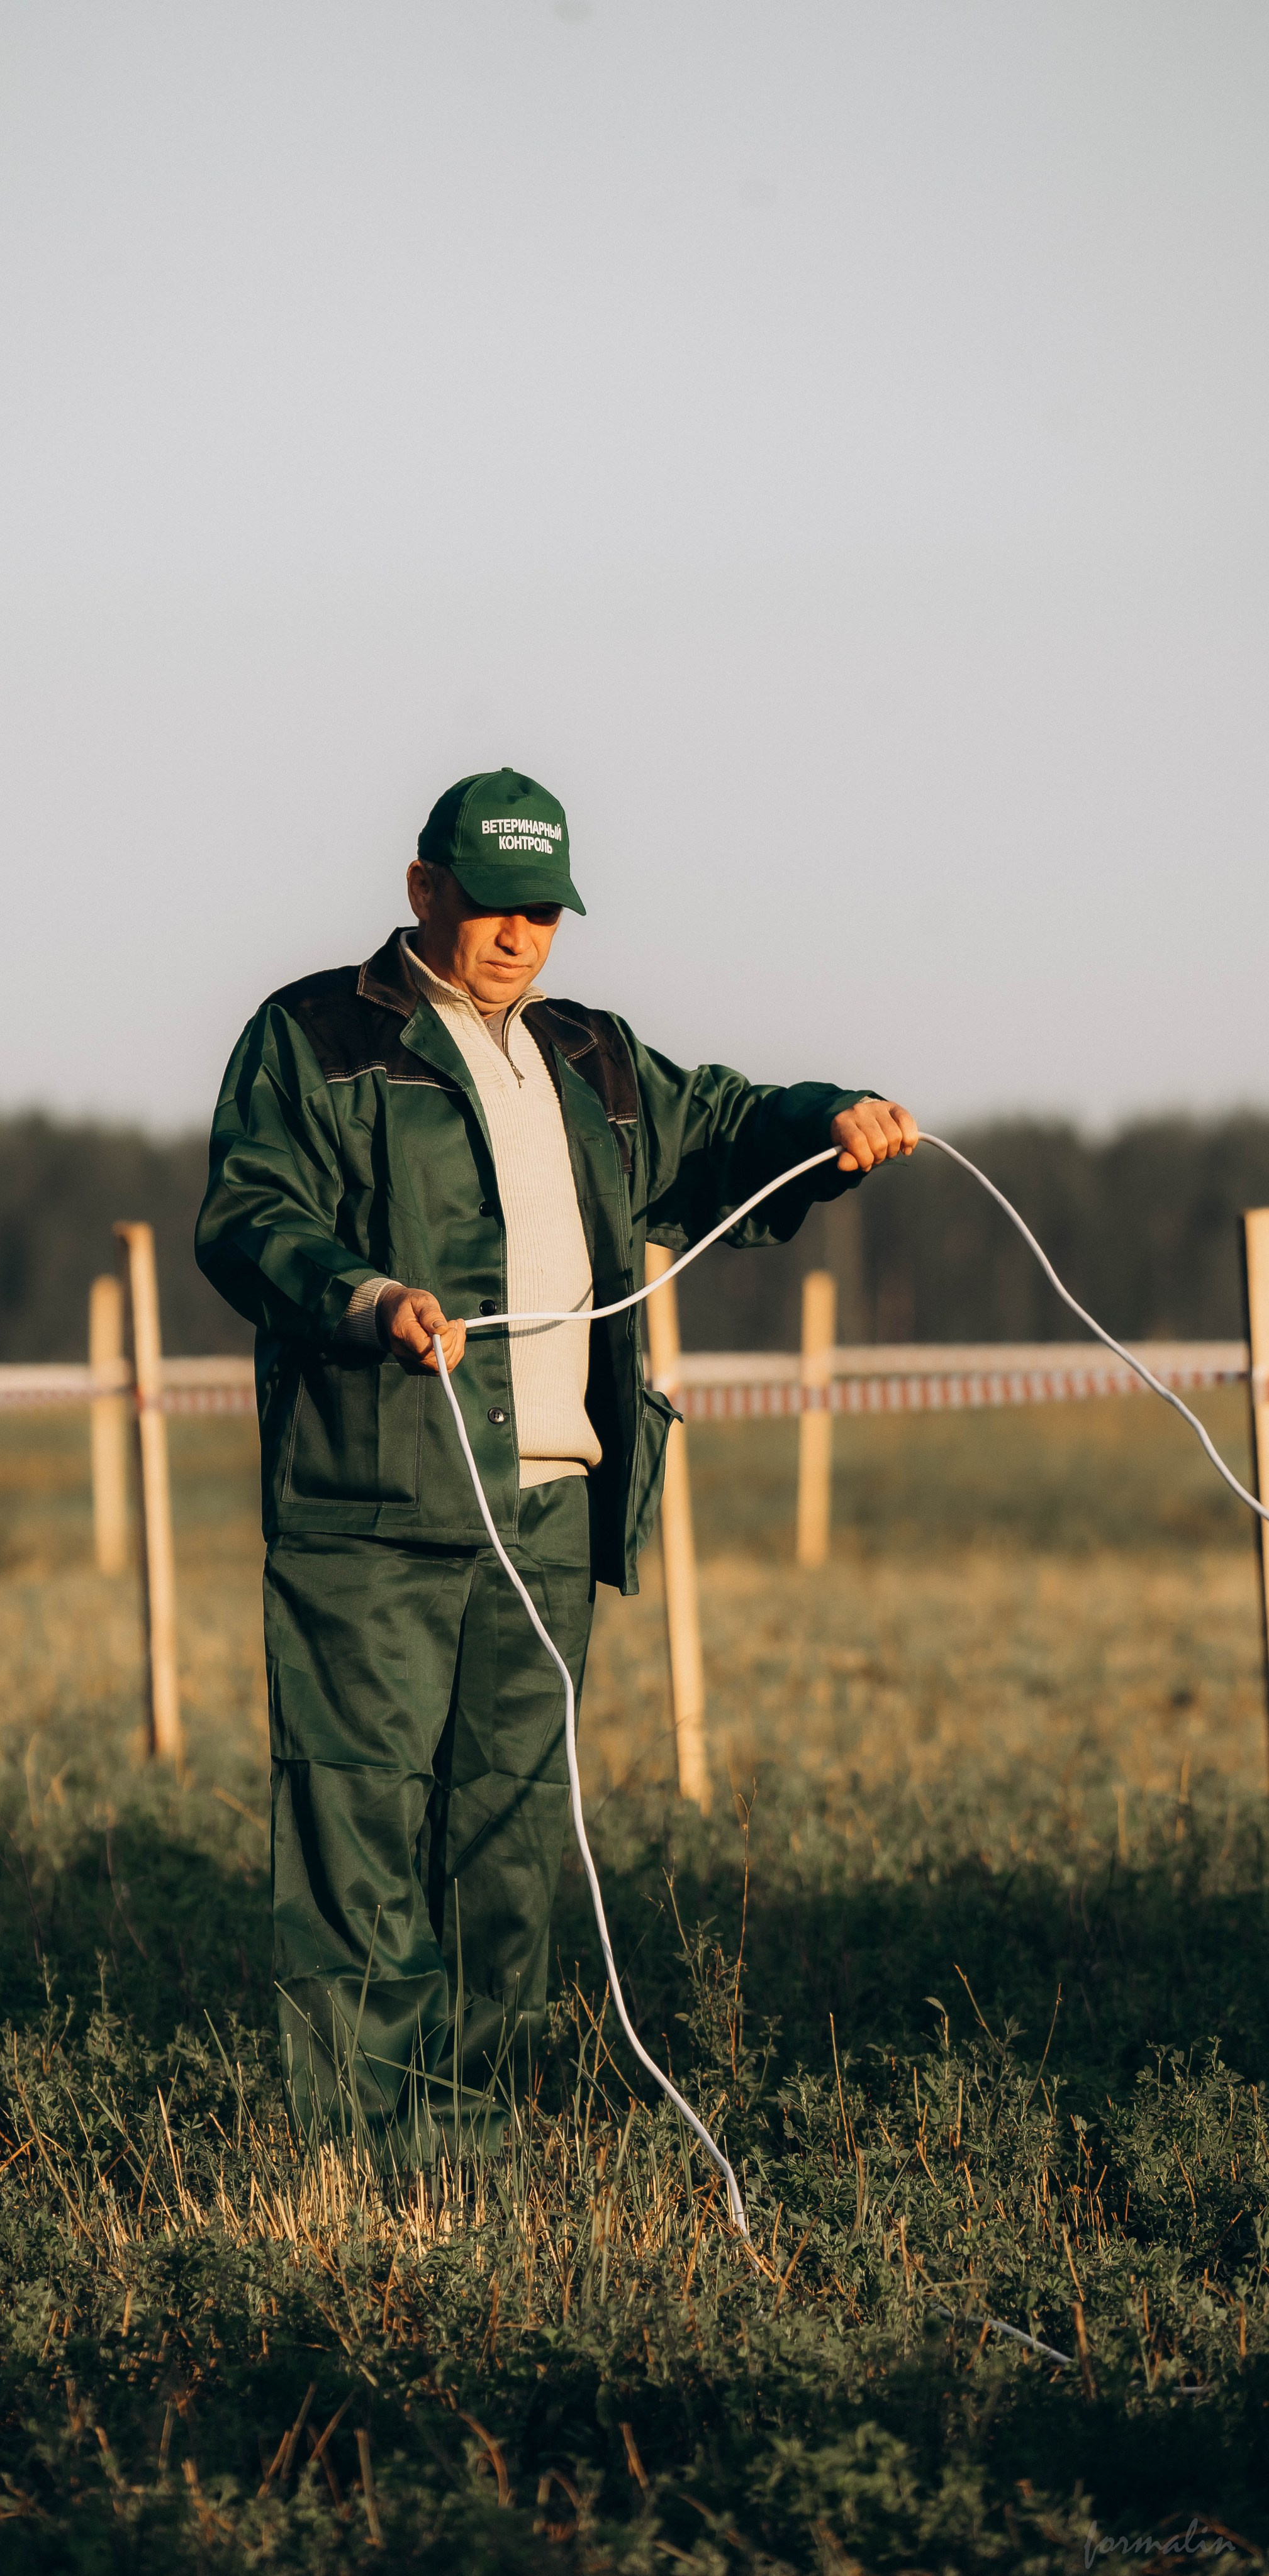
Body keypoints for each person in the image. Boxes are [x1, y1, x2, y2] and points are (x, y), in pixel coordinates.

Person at [196, 766, 917, 2158]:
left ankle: (466, 2162)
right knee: (357, 1835)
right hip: (371, 1509)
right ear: (424, 889)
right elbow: (247, 1214)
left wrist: (832, 1122)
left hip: (548, 1516)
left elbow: (723, 1126)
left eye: (543, 910)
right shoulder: (314, 1036)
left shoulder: (592, 1058)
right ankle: (363, 2163)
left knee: (508, 1854)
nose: (518, 935)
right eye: (490, 904)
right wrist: (365, 1296)